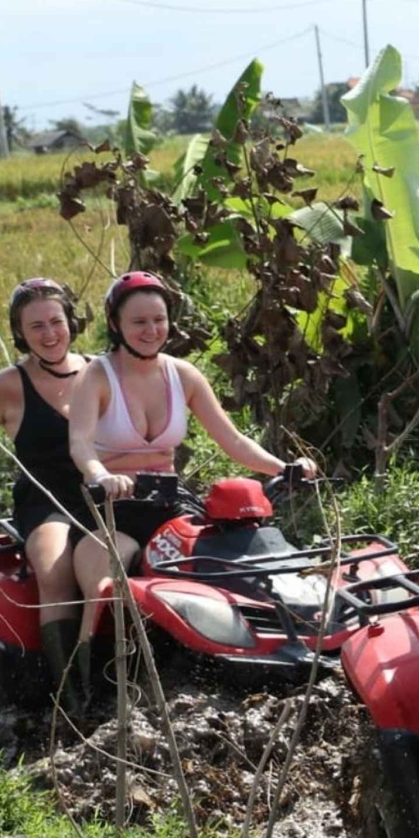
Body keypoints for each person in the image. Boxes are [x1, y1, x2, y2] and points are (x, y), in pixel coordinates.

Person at [68, 271, 317, 664]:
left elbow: (233, 441)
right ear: (116, 324)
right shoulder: (95, 375)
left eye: (159, 319)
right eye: (139, 321)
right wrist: (101, 476)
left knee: (226, 556)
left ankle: (258, 644)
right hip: (110, 506)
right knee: (106, 581)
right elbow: (80, 443)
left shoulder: (182, 375)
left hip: (169, 503)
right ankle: (85, 675)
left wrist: (283, 468)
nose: (151, 330)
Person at [0, 278, 93, 711]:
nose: (49, 334)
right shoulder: (6, 386)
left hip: (104, 495)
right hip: (46, 502)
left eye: (56, 321)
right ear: (20, 332)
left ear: (71, 323)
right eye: (36, 326)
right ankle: (71, 698)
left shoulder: (100, 371)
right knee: (55, 569)